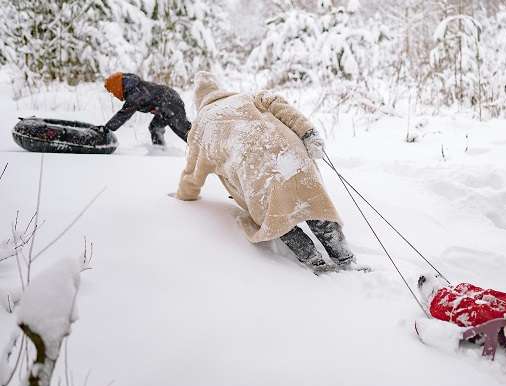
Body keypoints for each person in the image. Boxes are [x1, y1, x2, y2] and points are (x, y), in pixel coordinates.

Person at [173, 71, 361, 274]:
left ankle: (316, 263)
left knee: (279, 219)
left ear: (199, 101)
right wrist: (309, 133)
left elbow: (192, 176)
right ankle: (345, 259)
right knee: (314, 203)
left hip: (255, 171)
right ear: (220, 90)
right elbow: (281, 106)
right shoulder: (247, 96)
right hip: (290, 153)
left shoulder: (201, 126)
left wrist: (184, 195)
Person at [99, 72, 191, 146]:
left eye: (112, 91)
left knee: (185, 131)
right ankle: (160, 152)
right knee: (155, 127)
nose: (113, 94)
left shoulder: (136, 93)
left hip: (170, 102)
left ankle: (202, 149)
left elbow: (124, 114)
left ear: (117, 86)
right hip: (166, 102)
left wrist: (107, 128)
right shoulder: (134, 89)